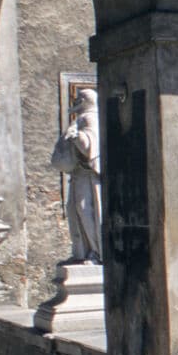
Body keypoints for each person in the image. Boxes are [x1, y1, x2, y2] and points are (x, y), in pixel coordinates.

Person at [53, 87, 102, 264]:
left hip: (88, 174)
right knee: (75, 210)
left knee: (84, 209)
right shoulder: (81, 118)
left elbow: (90, 149)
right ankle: (83, 252)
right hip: (78, 174)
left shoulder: (90, 118)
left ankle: (96, 252)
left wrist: (76, 136)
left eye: (78, 99)